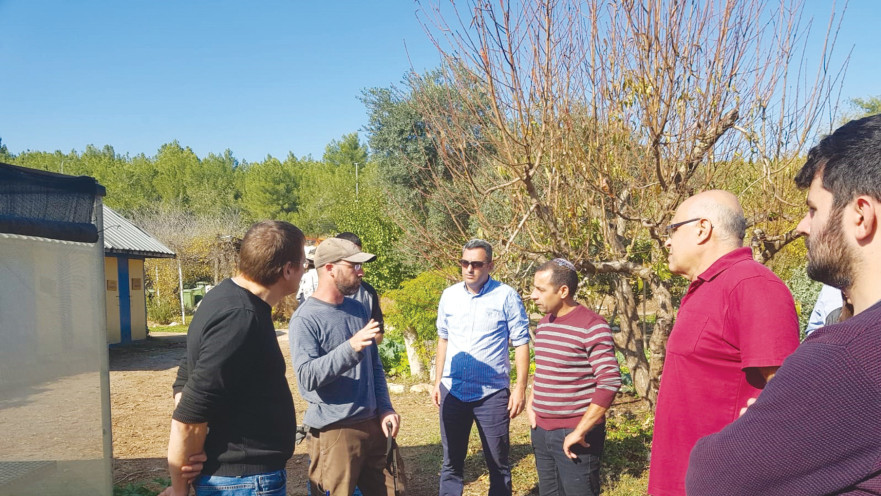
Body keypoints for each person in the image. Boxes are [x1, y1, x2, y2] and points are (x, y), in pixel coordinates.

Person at [686, 114, 881, 495]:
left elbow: (711, 479)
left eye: (814, 210)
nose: (802, 226)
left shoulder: (847, 357)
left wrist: (765, 425)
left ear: (861, 215)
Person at [647, 190, 801, 496]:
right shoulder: (707, 287)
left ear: (702, 228)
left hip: (721, 483)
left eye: (672, 230)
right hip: (679, 479)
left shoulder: (752, 284)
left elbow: (788, 397)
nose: (666, 242)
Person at [162, 220, 306, 496]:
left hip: (241, 479)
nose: (304, 271)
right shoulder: (241, 317)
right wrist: (179, 489)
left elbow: (187, 374)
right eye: (303, 263)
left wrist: (196, 447)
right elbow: (189, 415)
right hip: (244, 482)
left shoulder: (224, 297)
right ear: (288, 269)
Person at [290, 237, 400, 496]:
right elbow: (306, 377)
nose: (361, 272)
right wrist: (350, 347)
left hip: (374, 425)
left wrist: (385, 408)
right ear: (330, 268)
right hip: (335, 431)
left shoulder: (359, 309)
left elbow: (374, 367)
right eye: (354, 266)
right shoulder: (305, 318)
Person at [433, 239, 531, 496]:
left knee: (498, 463)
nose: (469, 269)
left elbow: (521, 342)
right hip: (453, 390)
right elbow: (443, 339)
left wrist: (520, 388)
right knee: (451, 462)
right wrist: (437, 381)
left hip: (492, 394)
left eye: (476, 264)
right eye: (464, 262)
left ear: (490, 265)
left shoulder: (506, 296)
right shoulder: (449, 296)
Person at [526, 258, 621, 496]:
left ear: (563, 291)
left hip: (576, 435)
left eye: (540, 289)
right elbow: (544, 369)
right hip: (541, 432)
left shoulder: (592, 326)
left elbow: (609, 382)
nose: (533, 296)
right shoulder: (544, 324)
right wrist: (531, 403)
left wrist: (579, 431)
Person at [335, 232, 385, 344]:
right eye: (353, 264)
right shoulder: (313, 296)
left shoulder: (368, 292)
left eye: (360, 264)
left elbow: (378, 334)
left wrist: (361, 344)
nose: (362, 272)